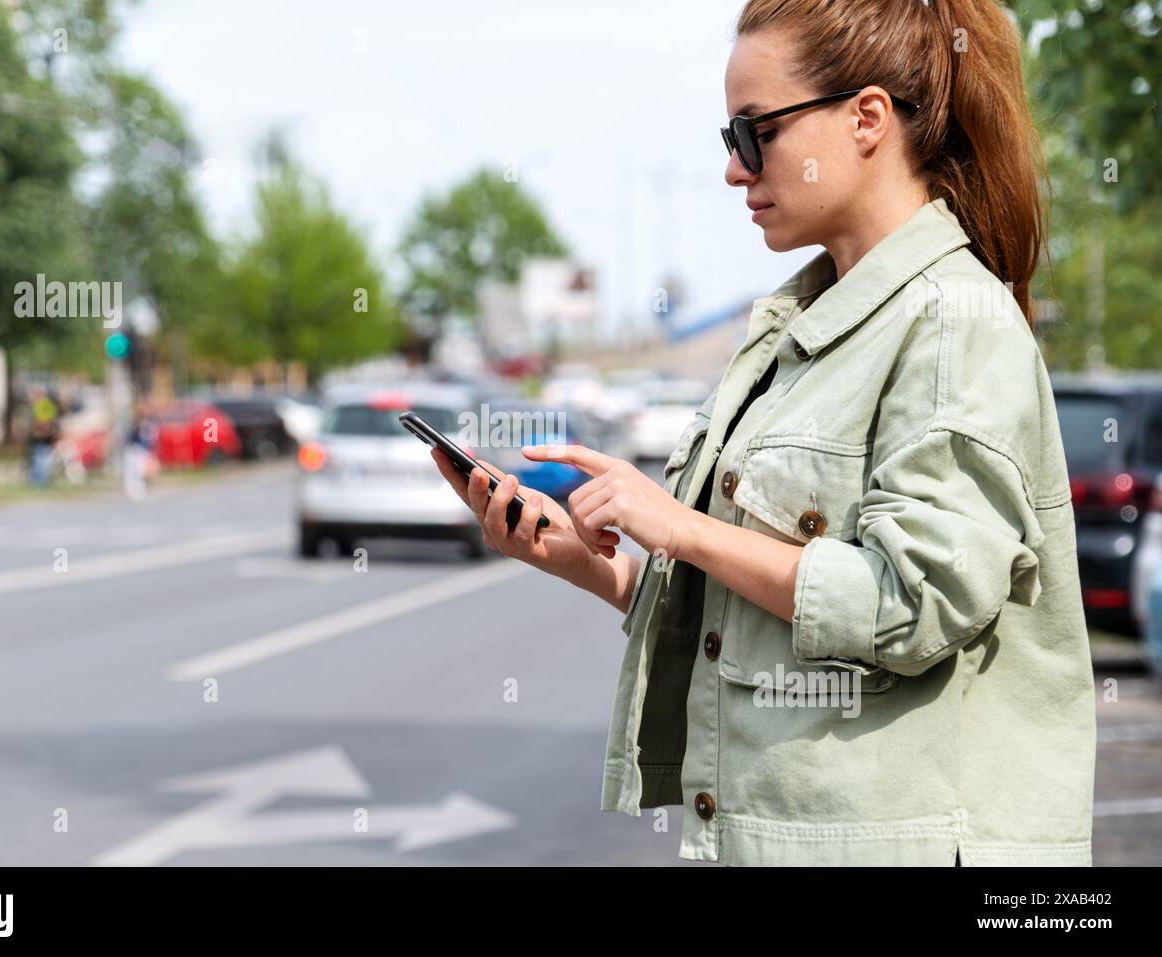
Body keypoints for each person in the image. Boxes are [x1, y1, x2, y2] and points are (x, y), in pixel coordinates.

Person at [430, 0, 1095, 866]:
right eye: (728, 139)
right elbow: (772, 622)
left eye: (755, 134)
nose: (735, 172)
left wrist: (680, 525)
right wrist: (601, 569)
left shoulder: (951, 320)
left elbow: (913, 604)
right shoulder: (801, 325)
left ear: (866, 120)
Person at [24, 385, 60, 488]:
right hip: (39, 438)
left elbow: (44, 421)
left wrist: (39, 428)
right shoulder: (39, 405)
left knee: (42, 460)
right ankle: (37, 482)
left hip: (44, 438)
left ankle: (40, 483)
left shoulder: (43, 405)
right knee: (38, 459)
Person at [123, 401, 159, 500]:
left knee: (140, 470)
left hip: (142, 449)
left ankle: (139, 489)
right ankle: (131, 489)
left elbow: (150, 438)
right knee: (132, 471)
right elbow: (132, 436)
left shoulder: (150, 422)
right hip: (134, 448)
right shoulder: (137, 423)